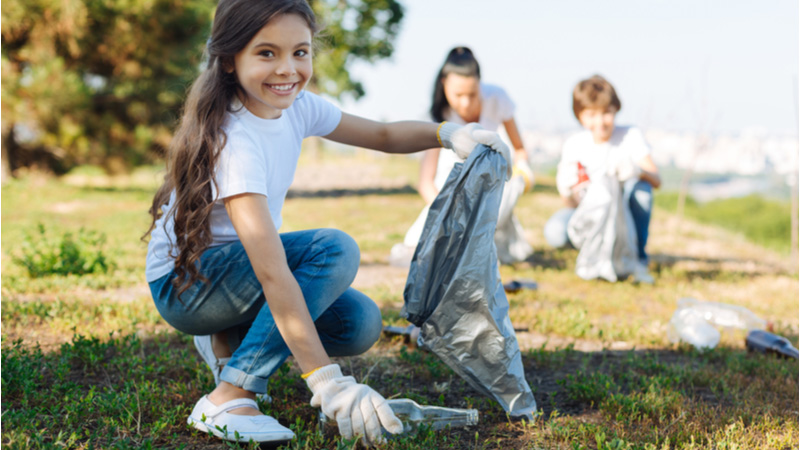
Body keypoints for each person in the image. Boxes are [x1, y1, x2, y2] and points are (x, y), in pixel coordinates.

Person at [143, 0, 512, 446]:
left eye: (300, 52)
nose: (287, 69)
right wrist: (327, 383)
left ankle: (231, 337)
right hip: (187, 287)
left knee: (359, 322)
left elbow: (381, 135)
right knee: (333, 250)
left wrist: (448, 134)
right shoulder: (234, 138)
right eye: (266, 53)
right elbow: (271, 271)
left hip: (229, 277)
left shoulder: (296, 107)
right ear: (228, 61)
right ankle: (230, 393)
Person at [391, 47, 534, 267]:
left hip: (491, 190)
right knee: (418, 249)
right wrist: (451, 210)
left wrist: (523, 171)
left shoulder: (497, 97)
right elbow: (425, 182)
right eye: (458, 95)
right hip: (450, 194)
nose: (465, 103)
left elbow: (519, 149)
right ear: (444, 84)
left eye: (472, 94)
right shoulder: (438, 117)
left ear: (480, 85)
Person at [543, 74, 660, 282]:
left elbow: (656, 180)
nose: (601, 121)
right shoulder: (575, 145)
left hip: (624, 215)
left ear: (616, 109)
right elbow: (571, 204)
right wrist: (566, 189)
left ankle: (638, 258)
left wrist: (637, 171)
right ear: (581, 116)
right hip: (589, 215)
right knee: (555, 232)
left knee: (642, 190)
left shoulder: (630, 136)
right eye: (592, 114)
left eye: (606, 113)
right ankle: (593, 252)